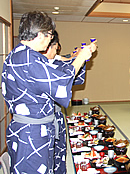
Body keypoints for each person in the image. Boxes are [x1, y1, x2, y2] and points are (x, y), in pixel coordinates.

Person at [2, 11, 96, 174]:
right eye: (50, 36)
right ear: (40, 34)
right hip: (31, 132)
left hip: (27, 128)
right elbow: (60, 83)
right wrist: (81, 58)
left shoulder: (19, 54)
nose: (51, 40)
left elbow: (55, 75)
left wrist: (75, 59)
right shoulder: (29, 58)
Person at [41, 31, 88, 174]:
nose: (56, 53)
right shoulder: (41, 65)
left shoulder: (45, 60)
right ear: (48, 46)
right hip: (43, 122)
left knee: (59, 152)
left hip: (53, 117)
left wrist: (75, 57)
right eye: (55, 48)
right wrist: (79, 58)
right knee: (50, 155)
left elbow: (61, 58)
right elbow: (64, 82)